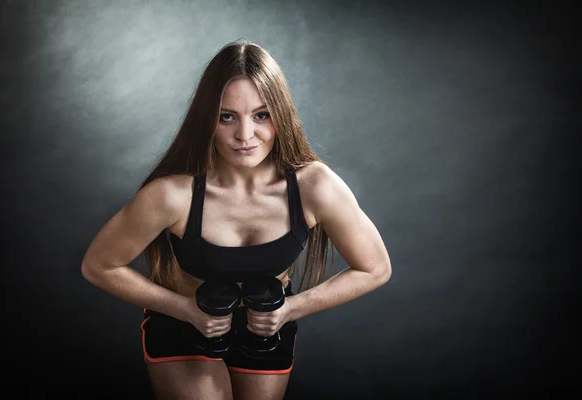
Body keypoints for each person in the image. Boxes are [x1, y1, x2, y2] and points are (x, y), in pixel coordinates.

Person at [81, 39, 392, 400]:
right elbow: (98, 265)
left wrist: (290, 308)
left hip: (266, 329)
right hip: (182, 324)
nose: (245, 135)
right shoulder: (173, 194)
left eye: (261, 115)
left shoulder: (314, 187)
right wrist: (186, 310)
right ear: (207, 120)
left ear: (282, 115)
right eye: (227, 117)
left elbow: (375, 268)